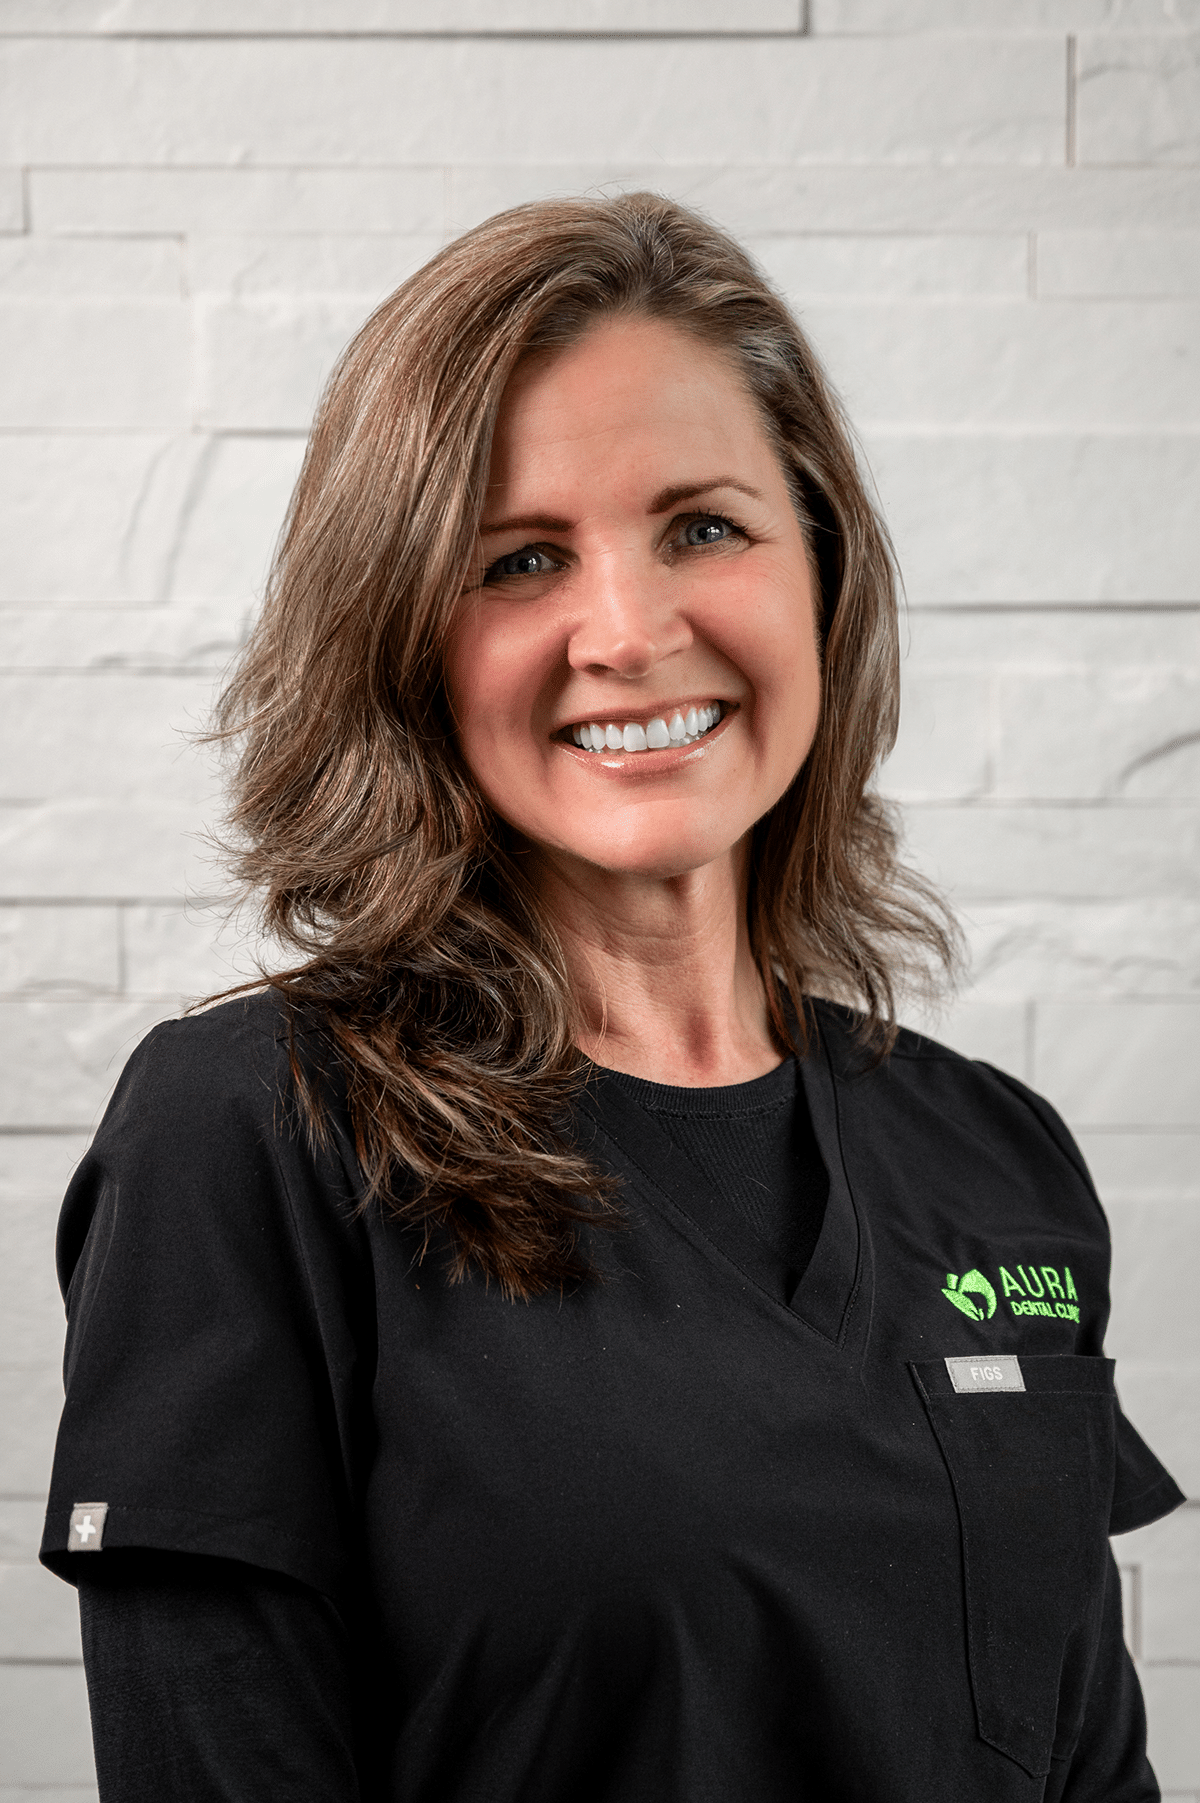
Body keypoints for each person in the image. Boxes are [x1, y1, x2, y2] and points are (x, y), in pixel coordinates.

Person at [41, 193, 1181, 1802]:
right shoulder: (258, 1132)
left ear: (821, 568)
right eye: (519, 560)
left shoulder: (997, 1160)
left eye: (704, 526)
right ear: (403, 641)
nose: (632, 632)